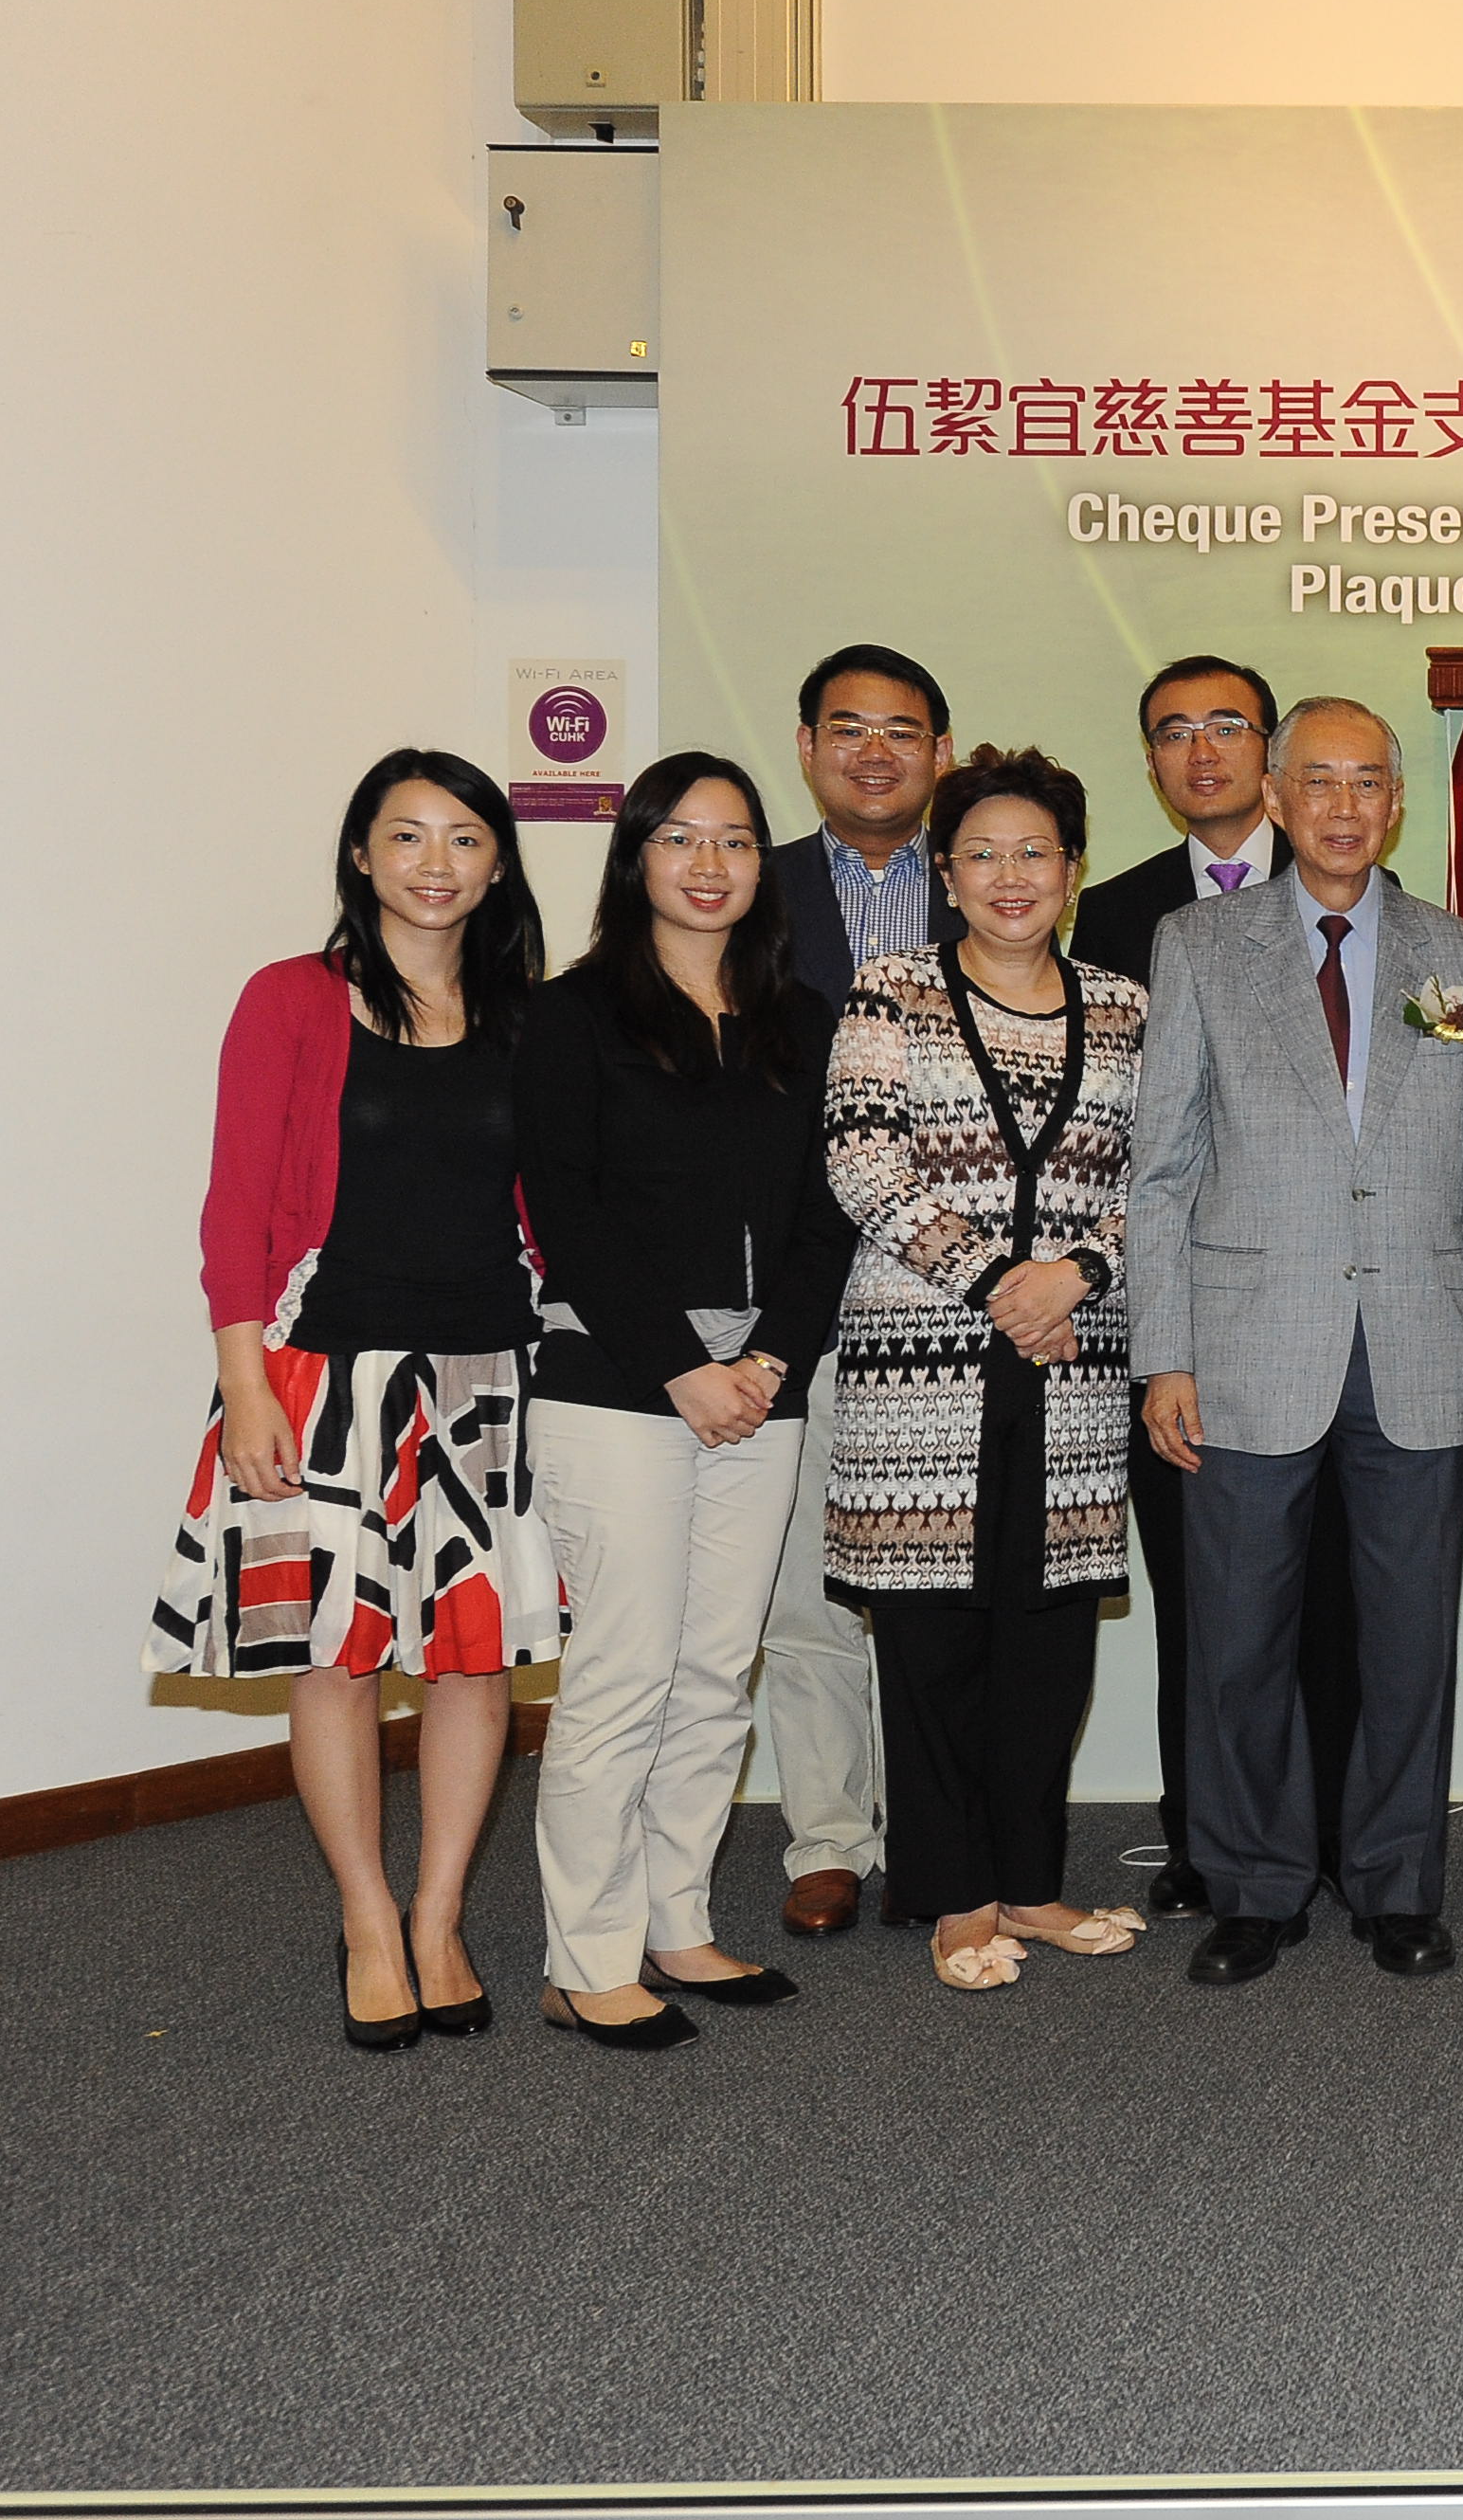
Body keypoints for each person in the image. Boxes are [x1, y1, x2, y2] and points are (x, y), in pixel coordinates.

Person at [152, 750, 559, 2050]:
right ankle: (369, 1918)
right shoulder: (291, 1000)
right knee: (332, 1661)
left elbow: (560, 1205)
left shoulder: (527, 1019)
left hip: (486, 1374)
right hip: (320, 1374)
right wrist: (243, 1383)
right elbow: (234, 1202)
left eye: (465, 840)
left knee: (472, 1662)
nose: (436, 863)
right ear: (361, 857)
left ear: (499, 862)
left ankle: (441, 1916)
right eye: (408, 837)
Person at [1132, 698, 1463, 1985]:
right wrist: (1163, 1352)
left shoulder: (1455, 952)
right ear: (1280, 800)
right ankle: (1254, 1885)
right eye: (1321, 783)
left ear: (1396, 803)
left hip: (1419, 1343)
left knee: (1408, 1639)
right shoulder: (1197, 944)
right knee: (1239, 1636)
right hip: (1246, 1346)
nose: (1346, 807)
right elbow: (1164, 1171)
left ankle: (1397, 1884)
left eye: (1370, 783)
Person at [515, 755, 850, 2051]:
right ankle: (583, 1954)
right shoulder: (572, 1015)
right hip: (619, 1380)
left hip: (762, 1384)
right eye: (680, 839)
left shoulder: (800, 1019)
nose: (709, 865)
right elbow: (570, 1210)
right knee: (623, 1670)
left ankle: (675, 1923)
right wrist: (681, 1365)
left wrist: (770, 1364)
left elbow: (827, 1219)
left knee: (716, 1671)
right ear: (636, 858)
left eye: (736, 841)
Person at [819, 747, 1147, 1990]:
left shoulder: (1126, 1007)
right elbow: (862, 1166)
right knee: (932, 1642)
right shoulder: (888, 995)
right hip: (923, 1380)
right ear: (946, 876)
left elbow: (1159, 1182)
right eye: (983, 856)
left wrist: (1077, 1277)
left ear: (1073, 869)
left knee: (1047, 1640)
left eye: (1036, 853)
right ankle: (954, 1895)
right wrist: (1000, 1286)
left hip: (1073, 1378)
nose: (1012, 878)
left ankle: (1034, 1885)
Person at [1065, 652, 1359, 1925]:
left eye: (1227, 728)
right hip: (1189, 1315)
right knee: (1205, 1600)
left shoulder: (1369, 902)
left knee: (1338, 1595)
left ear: (1276, 758)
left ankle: (1344, 1835)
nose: (1202, 753)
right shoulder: (1119, 915)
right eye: (1173, 733)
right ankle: (1212, 1842)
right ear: (1152, 761)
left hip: (1335, 1320)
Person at [756, 643, 958, 1940]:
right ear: (808, 745)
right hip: (798, 1293)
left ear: (942, 752)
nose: (875, 752)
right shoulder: (742, 891)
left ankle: (943, 1833)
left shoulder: (1001, 879)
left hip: (958, 1303)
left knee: (941, 1593)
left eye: (903, 731)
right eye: (849, 729)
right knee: (806, 1590)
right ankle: (829, 1840)